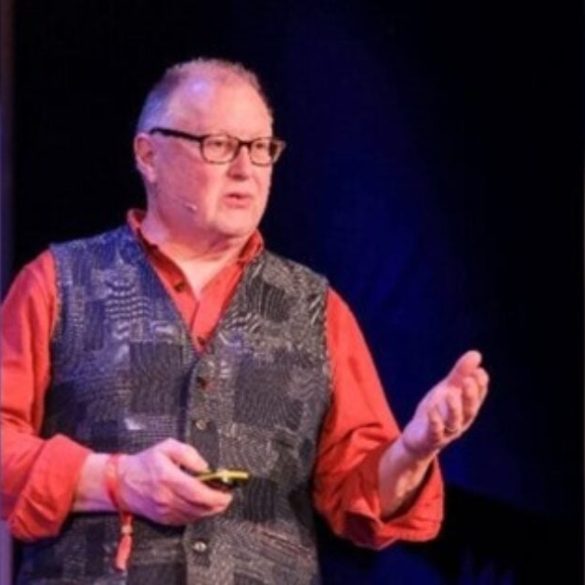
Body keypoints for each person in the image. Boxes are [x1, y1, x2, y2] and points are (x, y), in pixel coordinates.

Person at [1, 58, 489, 585]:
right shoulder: (58, 283)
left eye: (260, 148)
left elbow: (359, 498)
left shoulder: (316, 308)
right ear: (148, 155)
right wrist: (113, 479)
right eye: (218, 144)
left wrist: (414, 449)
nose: (245, 168)